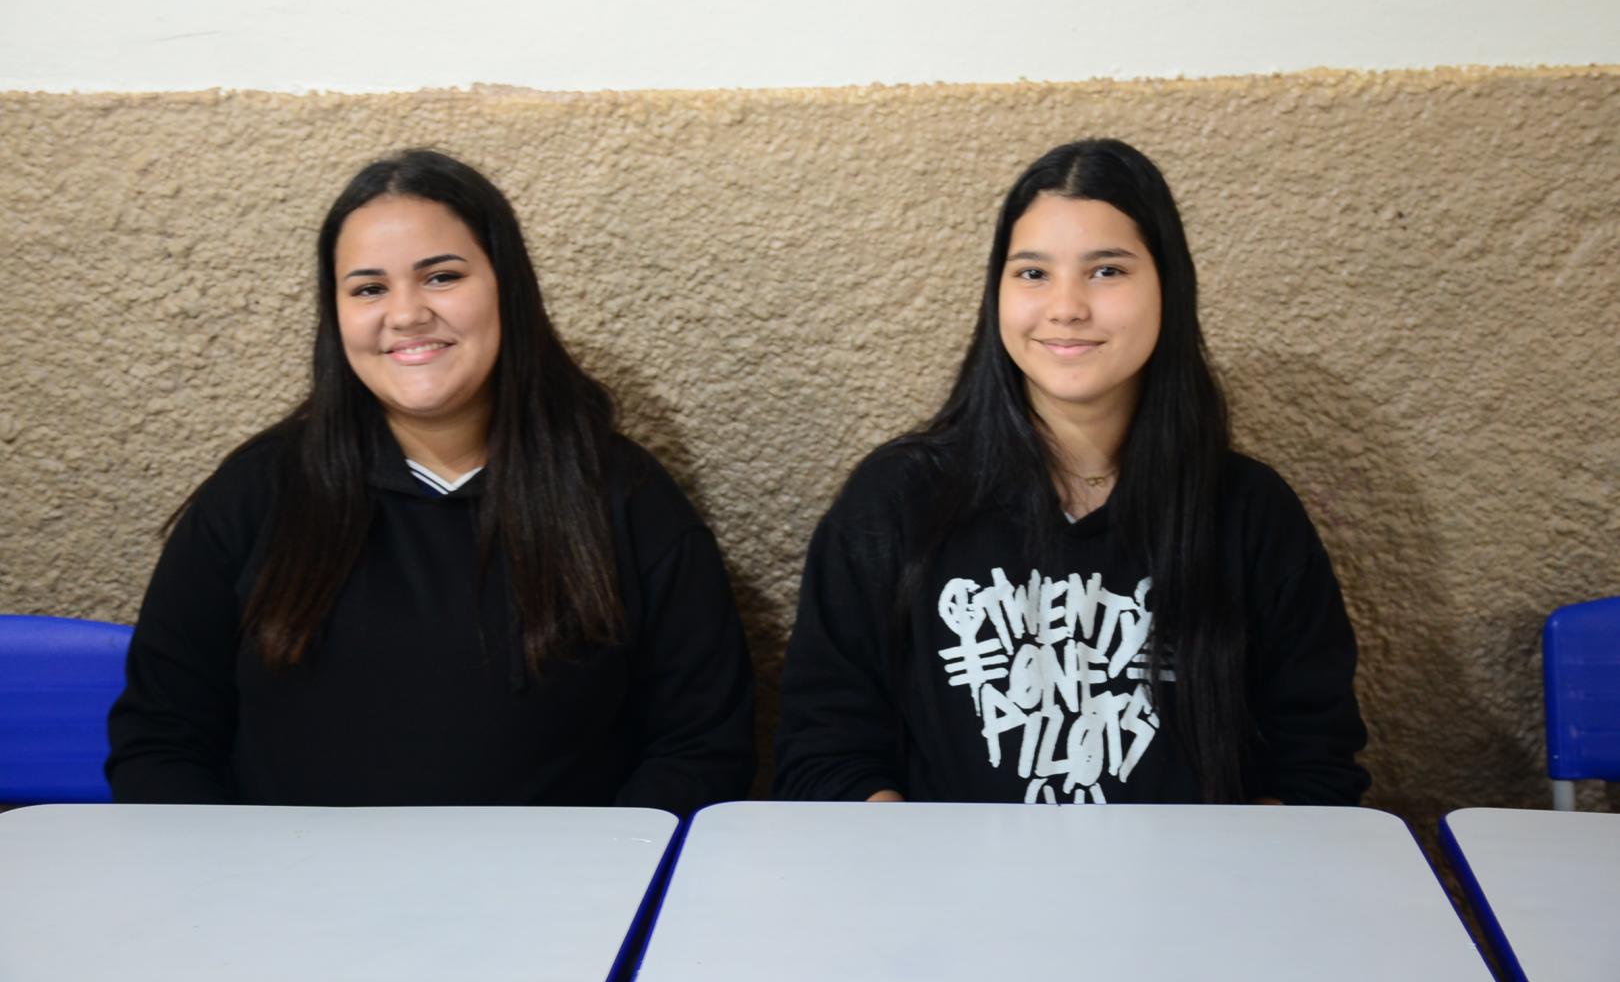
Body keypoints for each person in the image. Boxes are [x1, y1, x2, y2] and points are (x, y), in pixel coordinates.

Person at [107, 149, 755, 814]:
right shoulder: (256, 493)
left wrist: (595, 883)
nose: (407, 313)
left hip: (557, 907)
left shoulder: (625, 497)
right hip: (288, 905)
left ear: (508, 286)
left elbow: (701, 748)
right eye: (368, 288)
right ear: (336, 316)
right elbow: (160, 741)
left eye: (441, 277)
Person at [773, 139, 1369, 805]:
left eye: (1107, 271)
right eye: (1032, 274)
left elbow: (1314, 763)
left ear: (1169, 287)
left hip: (1189, 902)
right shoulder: (897, 500)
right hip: (951, 900)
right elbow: (825, 749)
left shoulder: (1250, 513)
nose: (1065, 307)